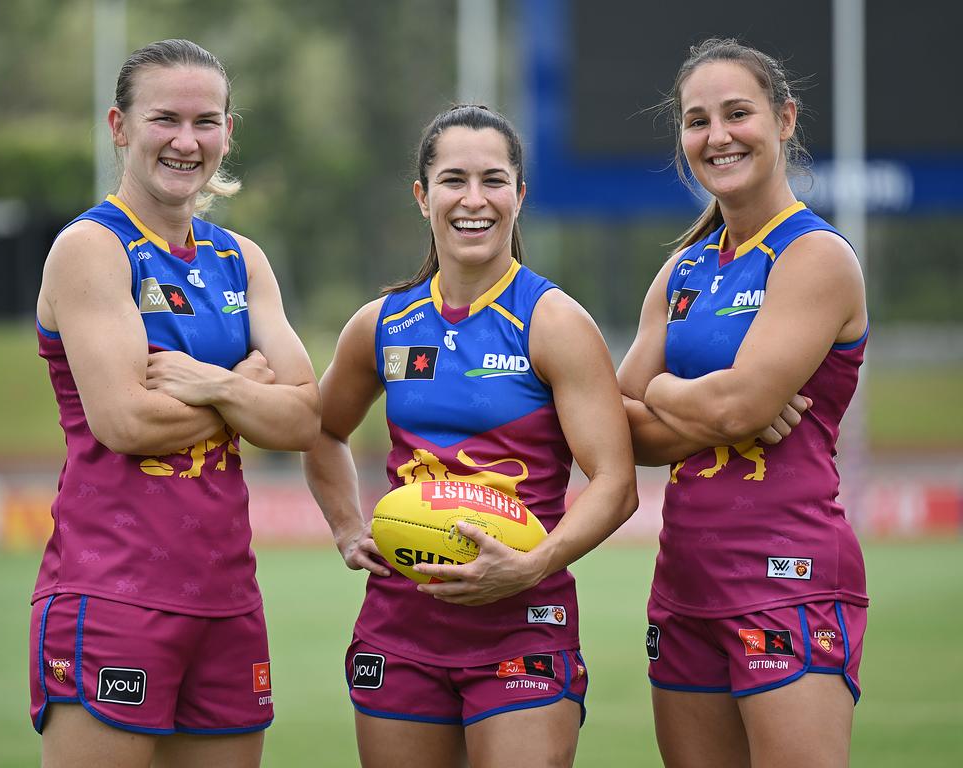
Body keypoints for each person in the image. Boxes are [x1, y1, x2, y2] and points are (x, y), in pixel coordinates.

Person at [303, 104, 638, 768]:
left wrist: (532, 565)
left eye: (493, 180)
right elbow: (319, 429)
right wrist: (347, 526)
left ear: (520, 195)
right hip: (399, 628)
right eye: (454, 180)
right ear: (423, 197)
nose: (474, 199)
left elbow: (617, 485)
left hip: (524, 625)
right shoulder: (382, 324)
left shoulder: (553, 321)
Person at [29, 39, 320, 768]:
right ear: (120, 126)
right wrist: (251, 389)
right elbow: (126, 421)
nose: (186, 141)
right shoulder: (92, 249)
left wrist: (214, 382)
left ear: (228, 131)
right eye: (165, 118)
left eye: (206, 121)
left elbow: (304, 420)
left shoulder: (240, 259)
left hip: (228, 599)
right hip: (115, 594)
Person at [616, 38, 869, 767]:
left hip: (788, 574)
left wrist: (663, 393)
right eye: (697, 121)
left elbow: (732, 410)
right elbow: (618, 426)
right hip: (684, 580)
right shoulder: (683, 269)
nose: (717, 136)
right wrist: (712, 404)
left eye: (737, 113)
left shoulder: (815, 257)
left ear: (784, 120)